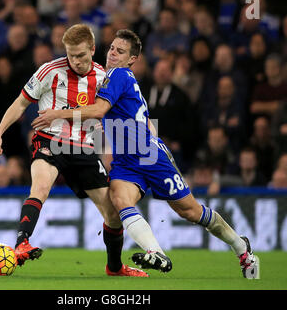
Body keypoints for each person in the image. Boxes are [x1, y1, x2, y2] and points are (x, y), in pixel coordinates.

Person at [32, 29, 259, 279]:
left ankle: (241, 247)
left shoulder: (119, 75)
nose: (113, 54)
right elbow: (142, 118)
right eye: (111, 48)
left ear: (132, 59)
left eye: (120, 51)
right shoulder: (113, 79)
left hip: (149, 156)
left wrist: (57, 114)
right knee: (119, 200)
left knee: (190, 211)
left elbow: (98, 110)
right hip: (126, 161)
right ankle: (156, 252)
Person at [0, 24, 148, 277]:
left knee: (112, 214)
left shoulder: (104, 77)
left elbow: (108, 115)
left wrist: (114, 147)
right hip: (50, 141)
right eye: (70, 55)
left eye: (81, 55)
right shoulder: (49, 71)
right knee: (40, 186)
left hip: (84, 149)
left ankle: (114, 267)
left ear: (93, 49)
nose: (75, 61)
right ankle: (21, 244)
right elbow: (20, 104)